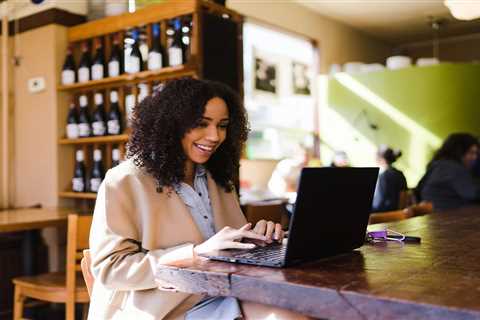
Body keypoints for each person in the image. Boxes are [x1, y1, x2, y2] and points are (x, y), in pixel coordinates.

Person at [87, 78, 309, 320]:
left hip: (222, 295)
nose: (214, 136)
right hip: (162, 309)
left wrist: (256, 238)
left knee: (305, 312)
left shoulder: (218, 178)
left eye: (222, 125)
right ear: (172, 124)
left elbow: (228, 246)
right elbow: (110, 269)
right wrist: (196, 253)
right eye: (201, 124)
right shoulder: (125, 180)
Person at [416, 132, 480, 211]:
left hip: (433, 216)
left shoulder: (438, 165)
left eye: (476, 153)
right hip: (446, 217)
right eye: (471, 153)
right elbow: (473, 194)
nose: (475, 157)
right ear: (459, 151)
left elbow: (419, 189)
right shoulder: (452, 168)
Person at [371, 146, 407, 212]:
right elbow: (403, 195)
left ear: (382, 159)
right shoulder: (400, 173)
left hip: (384, 212)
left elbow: (380, 202)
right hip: (397, 212)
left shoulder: (383, 176)